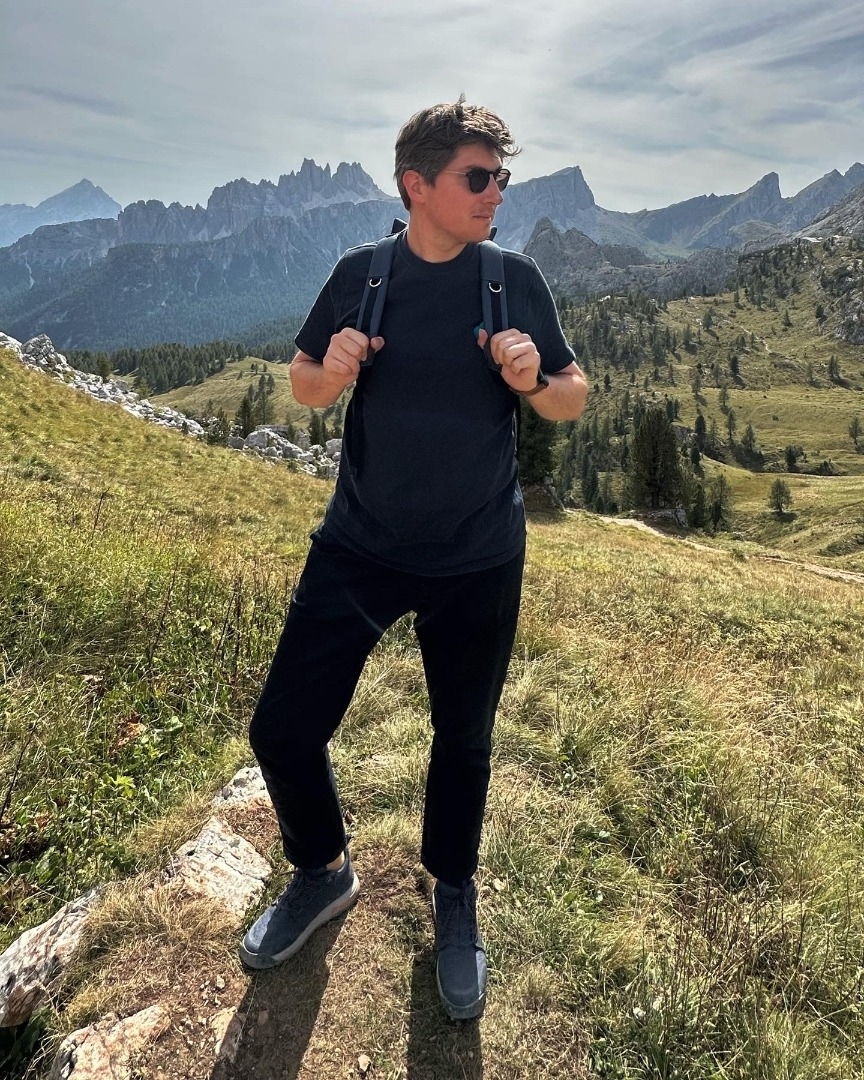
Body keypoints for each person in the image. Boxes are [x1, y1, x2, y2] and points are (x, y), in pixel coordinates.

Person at [240, 98, 588, 1020]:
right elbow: (304, 382)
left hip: (479, 557)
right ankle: (323, 871)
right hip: (359, 547)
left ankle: (454, 894)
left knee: (462, 742)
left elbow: (572, 393)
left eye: (501, 177)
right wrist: (332, 370)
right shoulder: (362, 273)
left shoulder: (512, 279)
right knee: (282, 729)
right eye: (479, 178)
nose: (496, 193)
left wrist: (534, 380)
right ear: (417, 185)